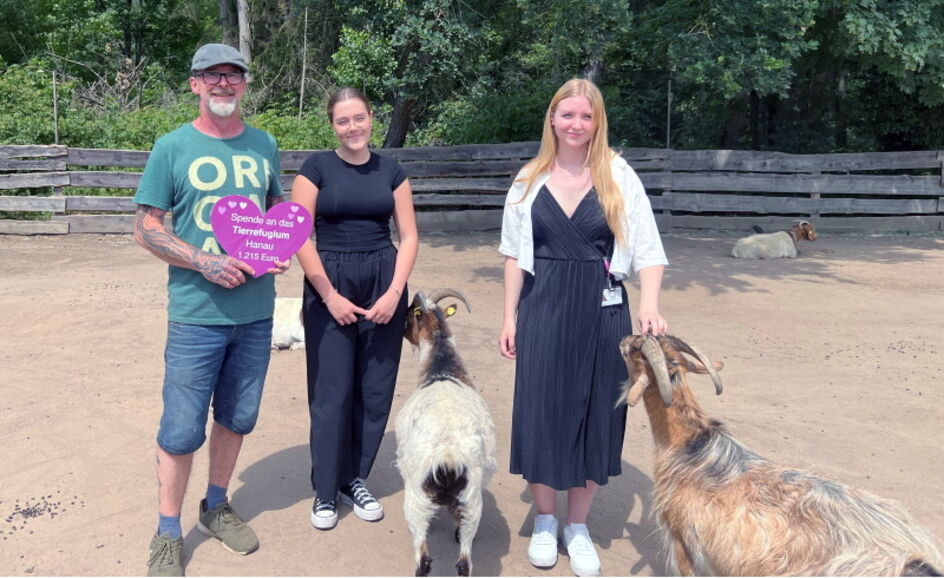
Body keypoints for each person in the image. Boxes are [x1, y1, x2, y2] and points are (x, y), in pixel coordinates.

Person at [498, 78, 669, 577]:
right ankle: (546, 521)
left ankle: (578, 525)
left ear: (598, 122)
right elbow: (513, 255)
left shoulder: (618, 176)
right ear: (552, 119)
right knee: (543, 412)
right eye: (567, 115)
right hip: (544, 307)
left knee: (598, 416)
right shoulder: (528, 180)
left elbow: (649, 251)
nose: (576, 125)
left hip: (603, 314)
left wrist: (650, 305)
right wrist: (509, 316)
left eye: (586, 117)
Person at [133, 43, 289, 577]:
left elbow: (271, 215)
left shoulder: (264, 145)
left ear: (245, 85)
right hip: (196, 314)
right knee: (180, 430)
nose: (224, 84)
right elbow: (146, 227)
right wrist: (202, 260)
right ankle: (167, 531)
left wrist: (275, 251)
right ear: (195, 84)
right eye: (212, 76)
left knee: (237, 418)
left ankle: (216, 505)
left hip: (255, 312)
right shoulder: (171, 147)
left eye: (234, 76)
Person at [290, 87, 418, 531]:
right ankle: (325, 490)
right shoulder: (315, 169)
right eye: (343, 121)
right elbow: (300, 237)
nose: (353, 128)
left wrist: (394, 293)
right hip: (331, 281)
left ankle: (355, 479)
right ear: (332, 126)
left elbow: (410, 237)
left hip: (384, 281)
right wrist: (328, 294)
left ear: (371, 119)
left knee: (375, 387)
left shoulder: (392, 170)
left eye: (359, 118)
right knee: (331, 391)